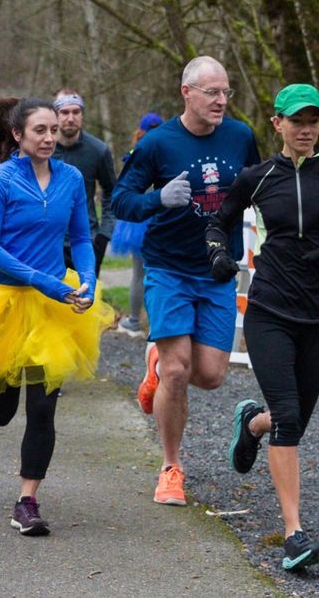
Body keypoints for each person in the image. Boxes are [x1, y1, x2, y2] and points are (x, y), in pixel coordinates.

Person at [207, 83, 319, 571]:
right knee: (291, 419)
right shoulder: (256, 177)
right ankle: (294, 535)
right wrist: (218, 253)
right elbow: (220, 222)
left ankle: (252, 423)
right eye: (296, 121)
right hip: (270, 309)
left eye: (313, 121)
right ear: (277, 123)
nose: (305, 129)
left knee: (289, 418)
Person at [0, 97, 114, 536]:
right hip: (1, 301)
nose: (49, 138)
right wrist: (46, 281)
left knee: (42, 408)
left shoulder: (72, 178)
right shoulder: (0, 181)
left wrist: (88, 282)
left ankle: (27, 500)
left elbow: (81, 235)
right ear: (18, 135)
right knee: (3, 405)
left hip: (53, 306)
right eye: (39, 130)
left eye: (54, 130)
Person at [110, 55, 260, 506]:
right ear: (186, 93)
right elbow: (121, 201)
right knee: (178, 371)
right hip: (169, 268)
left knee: (211, 376)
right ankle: (171, 466)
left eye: (226, 92)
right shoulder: (157, 144)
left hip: (216, 271)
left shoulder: (240, 136)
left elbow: (257, 184)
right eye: (211, 92)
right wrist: (159, 197)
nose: (220, 101)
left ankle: (157, 364)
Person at [52, 89, 116, 277]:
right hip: (49, 241)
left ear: (82, 114)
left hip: (87, 241)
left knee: (85, 301)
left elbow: (112, 192)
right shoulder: (43, 147)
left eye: (76, 112)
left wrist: (104, 235)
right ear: (55, 114)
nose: (70, 118)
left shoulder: (98, 150)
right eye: (64, 112)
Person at [114, 111, 164, 337]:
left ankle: (134, 320)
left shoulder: (134, 154)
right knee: (162, 274)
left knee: (139, 273)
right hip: (162, 216)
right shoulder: (169, 150)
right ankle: (157, 325)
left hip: (139, 220)